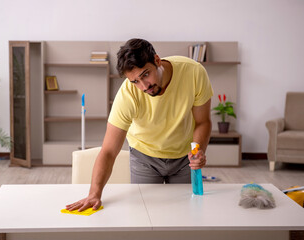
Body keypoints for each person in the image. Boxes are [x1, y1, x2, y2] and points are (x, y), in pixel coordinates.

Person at [66, 38, 213, 212]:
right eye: (135, 81)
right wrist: (94, 193)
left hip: (184, 158)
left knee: (186, 211)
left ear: (157, 61)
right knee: (145, 214)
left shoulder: (194, 73)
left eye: (145, 75)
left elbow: (203, 122)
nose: (144, 86)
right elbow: (108, 151)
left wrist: (198, 151)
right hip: (145, 158)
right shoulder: (127, 95)